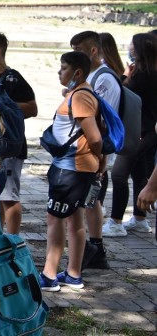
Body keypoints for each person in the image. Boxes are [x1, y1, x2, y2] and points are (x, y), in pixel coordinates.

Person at [38, 51, 103, 292]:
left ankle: (49, 274)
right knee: (75, 218)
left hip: (71, 169)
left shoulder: (80, 98)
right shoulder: (81, 93)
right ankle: (73, 274)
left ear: (77, 72)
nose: (59, 72)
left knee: (55, 220)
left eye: (63, 67)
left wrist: (97, 157)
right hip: (77, 168)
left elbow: (95, 137)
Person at [70, 30, 119, 268]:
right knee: (90, 200)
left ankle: (95, 249)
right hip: (91, 149)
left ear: (92, 51)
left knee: (92, 199)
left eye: (78, 49)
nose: (74, 54)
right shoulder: (92, 77)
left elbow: (99, 120)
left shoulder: (103, 78)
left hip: (96, 150)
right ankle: (94, 248)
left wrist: (101, 156)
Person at [0, 32, 38, 234]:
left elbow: (32, 108)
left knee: (9, 197)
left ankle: (13, 242)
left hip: (10, 147)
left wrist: (3, 105)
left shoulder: (13, 79)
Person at [106, 33, 157, 235]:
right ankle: (139, 218)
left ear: (141, 49)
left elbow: (121, 90)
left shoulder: (143, 75)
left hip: (142, 132)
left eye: (132, 45)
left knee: (119, 173)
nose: (129, 47)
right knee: (139, 174)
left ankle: (116, 222)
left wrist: (126, 74)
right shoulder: (149, 71)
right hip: (146, 130)